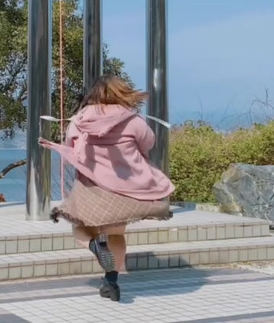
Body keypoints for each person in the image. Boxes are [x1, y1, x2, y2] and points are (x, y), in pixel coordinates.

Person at [40, 74, 174, 302]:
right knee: (117, 235)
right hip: (125, 189)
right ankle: (111, 282)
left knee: (80, 227)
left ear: (94, 93)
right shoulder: (133, 120)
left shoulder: (80, 119)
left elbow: (70, 144)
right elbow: (148, 143)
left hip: (91, 188)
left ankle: (94, 245)